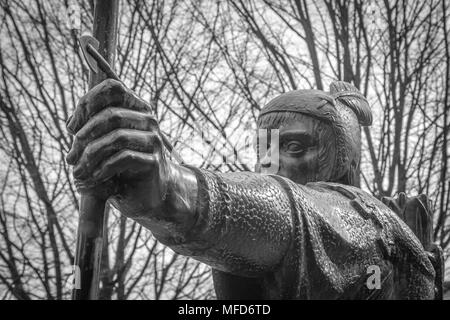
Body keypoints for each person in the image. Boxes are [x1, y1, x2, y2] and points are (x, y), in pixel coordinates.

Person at [66, 79, 436, 299]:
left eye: (293, 147)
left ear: (342, 161)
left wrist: (171, 188)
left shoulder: (371, 224)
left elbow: (292, 213)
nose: (269, 165)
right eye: (264, 151)